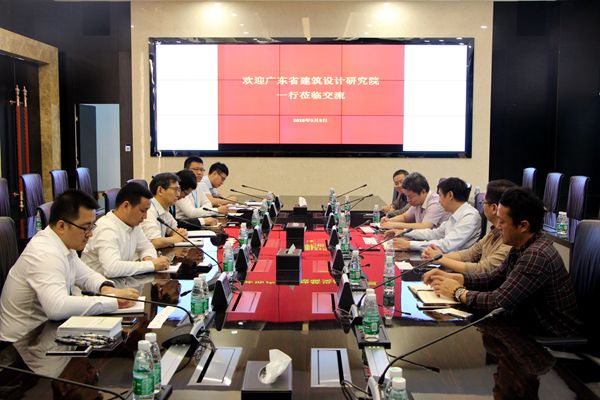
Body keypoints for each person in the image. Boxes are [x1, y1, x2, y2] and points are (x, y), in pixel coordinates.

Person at [423, 187, 581, 337]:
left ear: (523, 226)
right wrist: (458, 278)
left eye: (502, 222)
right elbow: (493, 277)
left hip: (548, 340)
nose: (498, 227)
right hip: (525, 326)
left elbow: (498, 301)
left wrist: (458, 292)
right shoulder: (521, 246)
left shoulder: (536, 255)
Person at [0, 190, 139, 343]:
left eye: (92, 226)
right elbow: (57, 307)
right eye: (86, 228)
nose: (90, 234)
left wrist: (106, 288)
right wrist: (114, 301)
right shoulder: (44, 253)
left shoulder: (62, 243)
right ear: (61, 226)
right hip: (22, 345)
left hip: (46, 333)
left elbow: (87, 276)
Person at [421, 179, 516, 273]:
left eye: (484, 202)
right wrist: (439, 256)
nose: (439, 200)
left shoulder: (509, 240)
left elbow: (483, 269)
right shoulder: (493, 232)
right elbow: (470, 253)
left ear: (494, 208)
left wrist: (441, 259)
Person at [81, 182, 170, 278]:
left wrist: (148, 258)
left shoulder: (133, 224)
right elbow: (112, 269)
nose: (145, 217)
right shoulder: (106, 228)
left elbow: (147, 247)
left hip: (120, 282)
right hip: (96, 286)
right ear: (126, 206)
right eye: (142, 211)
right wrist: (151, 265)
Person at [392, 177, 481, 252]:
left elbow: (447, 245)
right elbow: (435, 233)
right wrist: (404, 232)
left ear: (450, 195)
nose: (439, 200)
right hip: (445, 256)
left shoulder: (469, 216)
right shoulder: (456, 214)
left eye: (440, 196)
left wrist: (410, 244)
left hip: (456, 262)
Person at [380, 172, 449, 230]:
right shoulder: (417, 201)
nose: (408, 200)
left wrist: (393, 224)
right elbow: (405, 217)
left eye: (410, 196)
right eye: (406, 196)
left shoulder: (436, 202)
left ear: (423, 191)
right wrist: (388, 220)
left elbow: (424, 227)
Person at [140, 172, 189, 248]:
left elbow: (173, 230)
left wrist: (180, 233)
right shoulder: (149, 210)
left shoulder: (164, 208)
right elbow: (154, 242)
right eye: (175, 189)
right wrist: (176, 238)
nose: (178, 195)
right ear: (160, 190)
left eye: (179, 190)